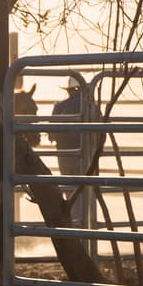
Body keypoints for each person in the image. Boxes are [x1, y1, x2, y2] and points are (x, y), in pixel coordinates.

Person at [48, 78, 98, 226]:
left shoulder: (59, 107)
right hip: (88, 156)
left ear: (69, 90)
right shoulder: (91, 106)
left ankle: (74, 224)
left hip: (65, 156)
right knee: (86, 191)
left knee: (70, 191)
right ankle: (85, 226)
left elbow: (51, 135)